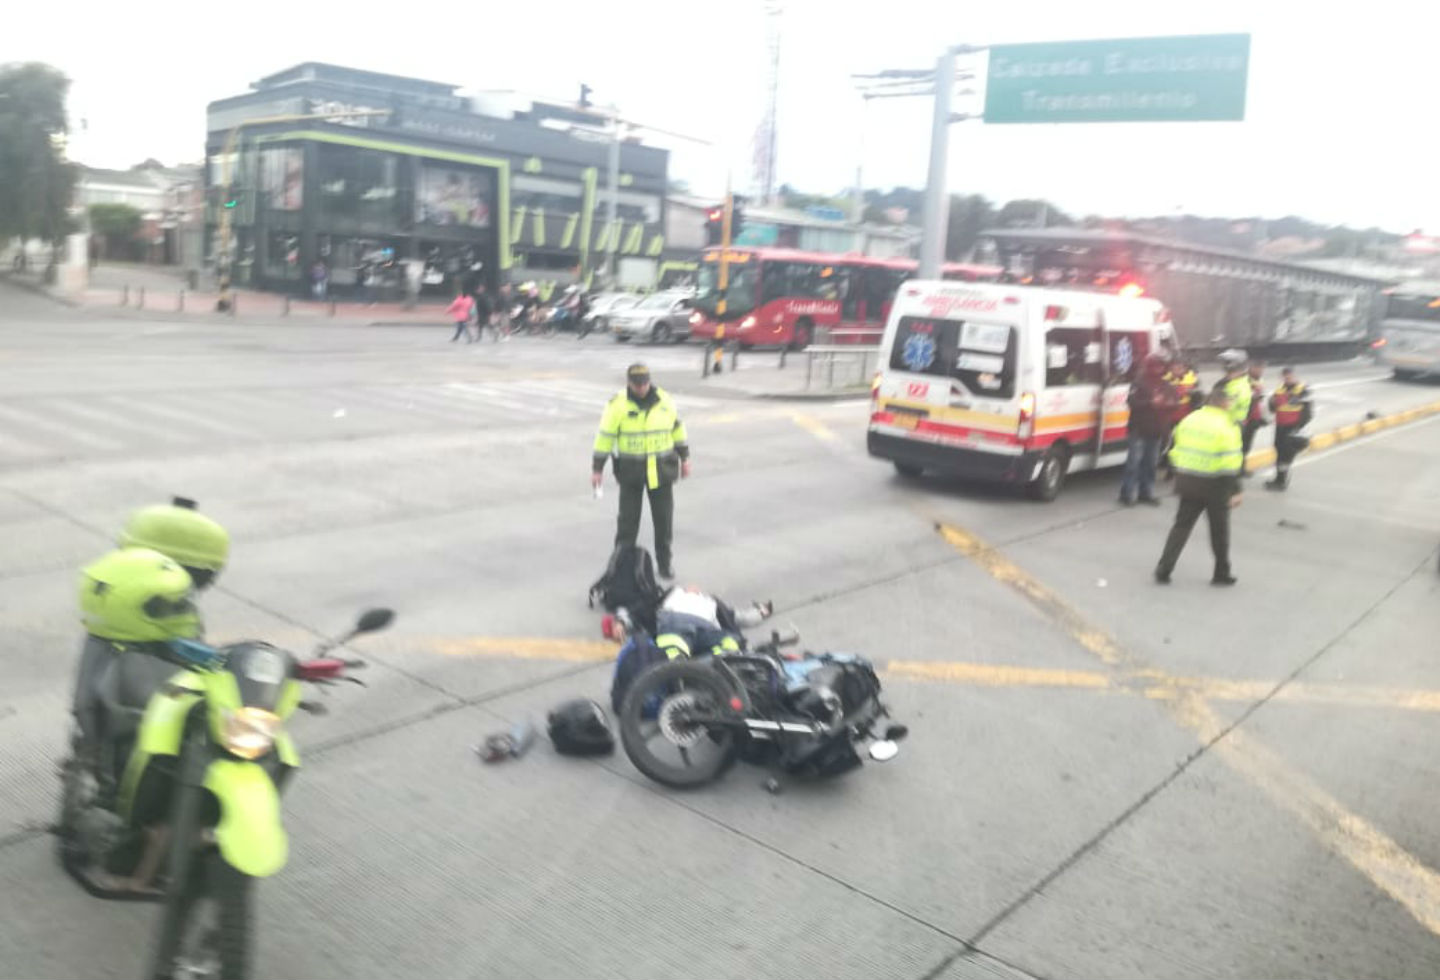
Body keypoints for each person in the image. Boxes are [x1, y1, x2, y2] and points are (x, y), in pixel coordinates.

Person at [592, 363, 691, 580]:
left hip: (661, 471)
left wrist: (685, 458)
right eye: (637, 384)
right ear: (629, 383)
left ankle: (664, 564)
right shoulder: (617, 405)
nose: (641, 388)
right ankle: (621, 567)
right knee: (627, 524)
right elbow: (605, 437)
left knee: (663, 522)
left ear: (649, 380)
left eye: (645, 383)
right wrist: (597, 468)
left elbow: (677, 429)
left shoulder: (665, 400)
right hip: (631, 473)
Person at [1155, 386, 1244, 586]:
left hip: (1188, 481)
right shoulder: (1228, 426)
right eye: (1229, 402)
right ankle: (1221, 572)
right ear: (1223, 403)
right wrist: (1236, 491)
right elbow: (1230, 464)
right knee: (1219, 531)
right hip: (1215, 485)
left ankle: (1164, 567)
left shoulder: (1189, 420)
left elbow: (1174, 449)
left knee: (1181, 526)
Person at [1119, 352, 1179, 506]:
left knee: (1151, 464)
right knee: (1133, 464)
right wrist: (1150, 402)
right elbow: (1132, 402)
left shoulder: (1167, 385)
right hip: (1139, 429)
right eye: (1156, 365)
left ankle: (1146, 493)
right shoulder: (1138, 383)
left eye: (1161, 366)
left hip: (1157, 431)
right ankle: (1127, 494)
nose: (1158, 369)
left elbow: (1175, 404)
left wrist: (1165, 403)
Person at [1266, 367, 1313, 491]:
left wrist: (1298, 428)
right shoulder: (1279, 390)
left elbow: (1308, 412)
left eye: (1290, 377)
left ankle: (1281, 481)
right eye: (1285, 377)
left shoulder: (1303, 389)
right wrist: (1271, 402)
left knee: (1286, 455)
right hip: (1280, 426)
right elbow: (1273, 408)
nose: (1287, 379)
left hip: (1292, 427)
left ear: (1295, 376)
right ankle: (1278, 478)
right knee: (1279, 452)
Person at [1239, 359, 1268, 476]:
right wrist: (1254, 398)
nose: (1260, 371)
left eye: (1262, 368)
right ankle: (1237, 469)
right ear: (1250, 368)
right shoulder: (1243, 380)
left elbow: (1260, 401)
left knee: (1247, 445)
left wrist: (1261, 417)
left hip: (1254, 418)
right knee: (1240, 445)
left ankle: (1242, 468)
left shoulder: (1259, 380)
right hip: (1244, 418)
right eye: (1258, 368)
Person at [1217, 349, 1252, 430]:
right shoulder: (1228, 383)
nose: (1225, 370)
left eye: (1229, 369)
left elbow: (1220, 407)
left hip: (1231, 427)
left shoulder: (1238, 387)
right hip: (1223, 426)